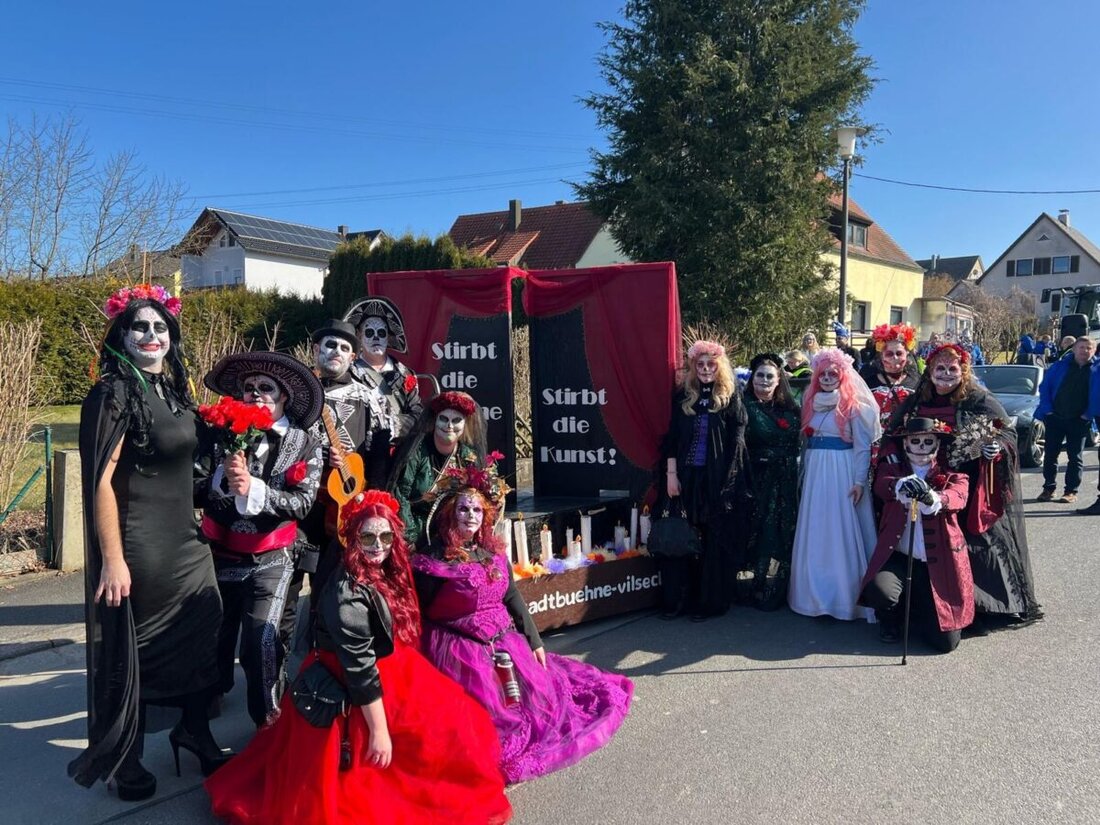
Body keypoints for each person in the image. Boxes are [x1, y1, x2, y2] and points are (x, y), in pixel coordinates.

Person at [205, 490, 512, 824]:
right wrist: (379, 732)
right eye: (367, 536)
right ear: (352, 539)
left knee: (453, 719)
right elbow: (359, 670)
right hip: (354, 687)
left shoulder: (383, 570)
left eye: (384, 536)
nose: (378, 545)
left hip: (390, 669)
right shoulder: (346, 592)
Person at [69, 285, 228, 801]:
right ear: (122, 334)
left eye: (160, 327)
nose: (152, 335)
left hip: (186, 540)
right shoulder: (112, 393)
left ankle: (193, 729)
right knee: (135, 650)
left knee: (204, 629)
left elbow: (189, 467)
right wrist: (112, 559)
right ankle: (126, 757)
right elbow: (100, 481)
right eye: (141, 326)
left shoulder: (174, 392)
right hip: (139, 545)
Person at [411, 465, 633, 784]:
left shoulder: (491, 552)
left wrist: (535, 642)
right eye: (463, 508)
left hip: (506, 644)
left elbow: (512, 596)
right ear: (450, 512)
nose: (470, 515)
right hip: (459, 653)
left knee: (547, 704)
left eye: (476, 509)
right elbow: (419, 612)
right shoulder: (432, 562)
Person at [200, 352, 324, 728]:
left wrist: (255, 490)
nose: (256, 395)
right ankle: (205, 707)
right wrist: (221, 479)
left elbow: (302, 503)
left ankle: (269, 722)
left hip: (273, 554)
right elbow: (196, 488)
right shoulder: (221, 433)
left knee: (261, 641)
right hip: (220, 551)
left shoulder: (304, 442)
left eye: (266, 389)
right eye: (249, 389)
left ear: (284, 396)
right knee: (212, 632)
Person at [886, 343, 1042, 626]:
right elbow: (894, 433)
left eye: (952, 369)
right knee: (929, 543)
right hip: (926, 477)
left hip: (967, 484)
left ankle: (980, 607)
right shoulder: (917, 401)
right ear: (930, 372)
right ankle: (930, 601)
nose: (945, 374)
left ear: (963, 372)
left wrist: (994, 449)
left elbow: (1005, 432)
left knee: (971, 543)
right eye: (940, 369)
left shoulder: (978, 399)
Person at [860, 418, 972, 653]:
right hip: (901, 559)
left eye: (928, 441)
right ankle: (891, 620)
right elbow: (882, 485)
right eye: (915, 441)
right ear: (905, 445)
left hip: (938, 563)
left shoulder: (952, 475)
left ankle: (924, 614)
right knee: (880, 590)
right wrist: (899, 486)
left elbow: (958, 496)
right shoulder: (891, 471)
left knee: (945, 644)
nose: (921, 446)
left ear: (937, 445)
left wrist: (936, 499)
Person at [788, 347, 882, 621]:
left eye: (833, 373)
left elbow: (863, 448)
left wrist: (858, 481)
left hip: (842, 472)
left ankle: (843, 598)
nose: (828, 377)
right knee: (816, 528)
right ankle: (812, 596)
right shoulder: (810, 401)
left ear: (843, 375)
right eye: (823, 373)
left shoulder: (855, 406)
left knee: (840, 530)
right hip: (817, 472)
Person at [659, 340, 748, 620]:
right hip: (687, 478)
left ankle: (709, 601)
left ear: (719, 366)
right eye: (700, 365)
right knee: (684, 537)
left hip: (717, 479)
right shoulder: (683, 395)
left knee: (712, 540)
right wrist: (671, 476)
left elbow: (737, 441)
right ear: (693, 367)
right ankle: (680, 599)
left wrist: (729, 481)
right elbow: (672, 439)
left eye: (711, 364)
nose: (706, 369)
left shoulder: (731, 395)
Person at [303, 319, 392, 596]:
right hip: (302, 502)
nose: (336, 352)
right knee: (292, 586)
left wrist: (369, 497)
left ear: (353, 357)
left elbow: (379, 449)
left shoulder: (367, 398)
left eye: (344, 348)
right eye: (330, 345)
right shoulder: (299, 392)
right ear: (317, 349)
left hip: (347, 502)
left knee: (337, 583)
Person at [739, 353, 801, 610]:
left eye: (769, 376)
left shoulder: (791, 409)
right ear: (752, 378)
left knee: (783, 528)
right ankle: (756, 584)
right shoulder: (743, 407)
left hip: (786, 477)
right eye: (760, 375)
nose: (764, 380)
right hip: (758, 476)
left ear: (778, 381)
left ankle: (780, 586)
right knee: (759, 526)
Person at [391, 390, 486, 548]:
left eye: (456, 420)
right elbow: (401, 495)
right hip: (413, 528)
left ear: (465, 424)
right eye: (443, 419)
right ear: (435, 420)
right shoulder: (416, 451)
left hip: (452, 530)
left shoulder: (468, 457)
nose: (449, 426)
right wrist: (412, 537)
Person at [344, 296, 423, 452]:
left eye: (381, 332)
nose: (376, 338)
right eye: (369, 332)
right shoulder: (347, 373)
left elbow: (417, 413)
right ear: (359, 335)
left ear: (388, 336)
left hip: (397, 452)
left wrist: (393, 426)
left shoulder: (404, 374)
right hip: (359, 452)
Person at [1036, 337, 1097, 504]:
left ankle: (1070, 491)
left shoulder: (1097, 369)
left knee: (1075, 457)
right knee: (1050, 455)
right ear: (1074, 349)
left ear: (1094, 350)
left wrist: (1088, 414)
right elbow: (1045, 387)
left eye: (1088, 348)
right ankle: (1049, 488)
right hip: (1055, 417)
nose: (1085, 351)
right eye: (1081, 347)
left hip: (1080, 420)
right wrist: (1047, 410)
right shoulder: (1059, 366)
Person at [859, 323, 921, 433]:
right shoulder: (868, 384)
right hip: (876, 443)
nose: (895, 358)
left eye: (899, 353)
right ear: (881, 356)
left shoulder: (917, 382)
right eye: (889, 354)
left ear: (907, 354)